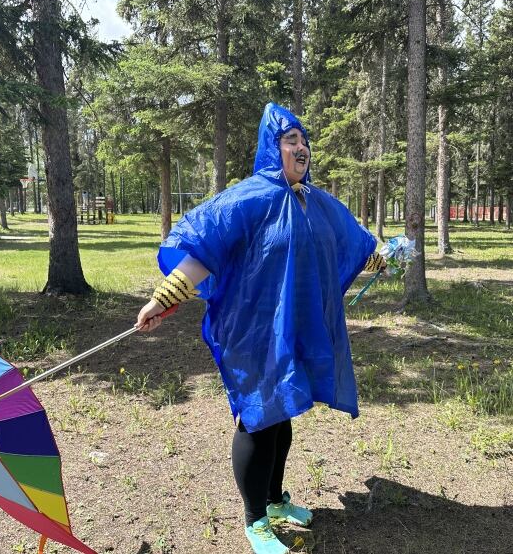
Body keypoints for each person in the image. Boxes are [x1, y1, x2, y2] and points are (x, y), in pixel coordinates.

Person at [136, 102, 383, 554]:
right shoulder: (249, 197)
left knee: (282, 412)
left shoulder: (315, 201)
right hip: (252, 331)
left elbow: (350, 237)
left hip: (292, 329)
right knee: (257, 420)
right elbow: (204, 249)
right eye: (291, 140)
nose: (301, 147)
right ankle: (255, 522)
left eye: (304, 141)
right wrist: (163, 298)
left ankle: (272, 501)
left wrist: (376, 255)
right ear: (273, 149)